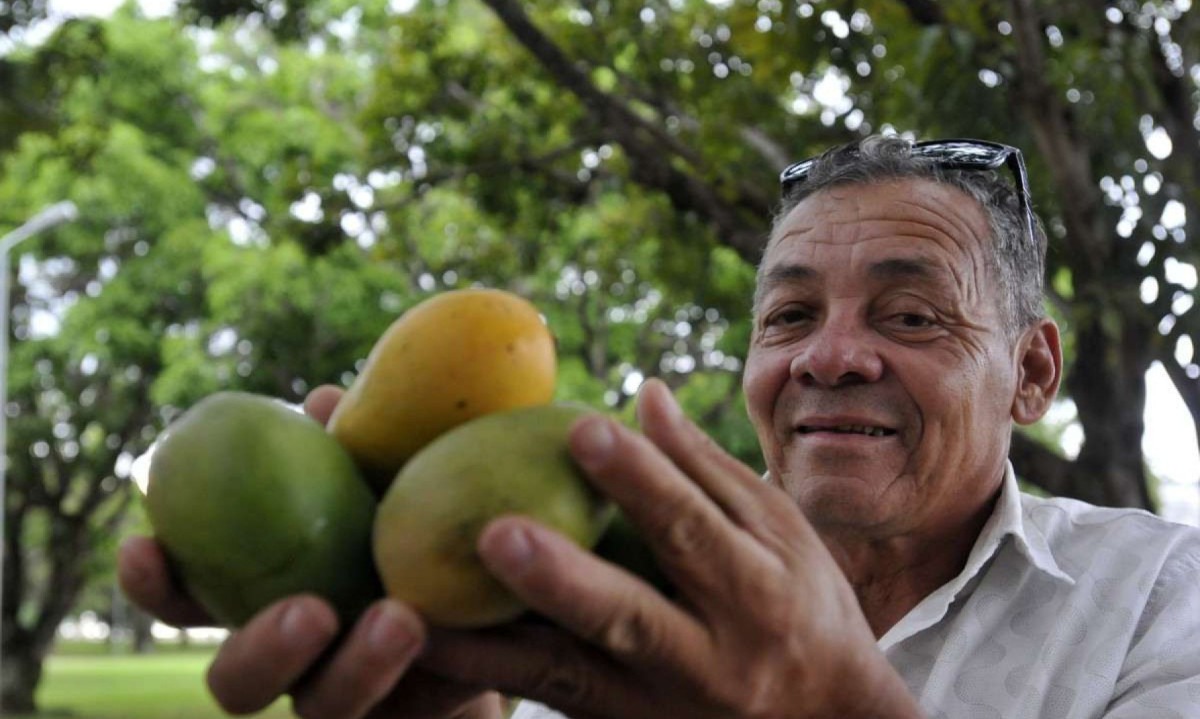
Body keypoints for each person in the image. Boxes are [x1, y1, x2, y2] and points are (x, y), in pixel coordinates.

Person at [118, 135, 1200, 719]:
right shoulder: (592, 587)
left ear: (1031, 370)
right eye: (788, 315)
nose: (828, 356)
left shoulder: (1164, 599)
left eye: (910, 314)